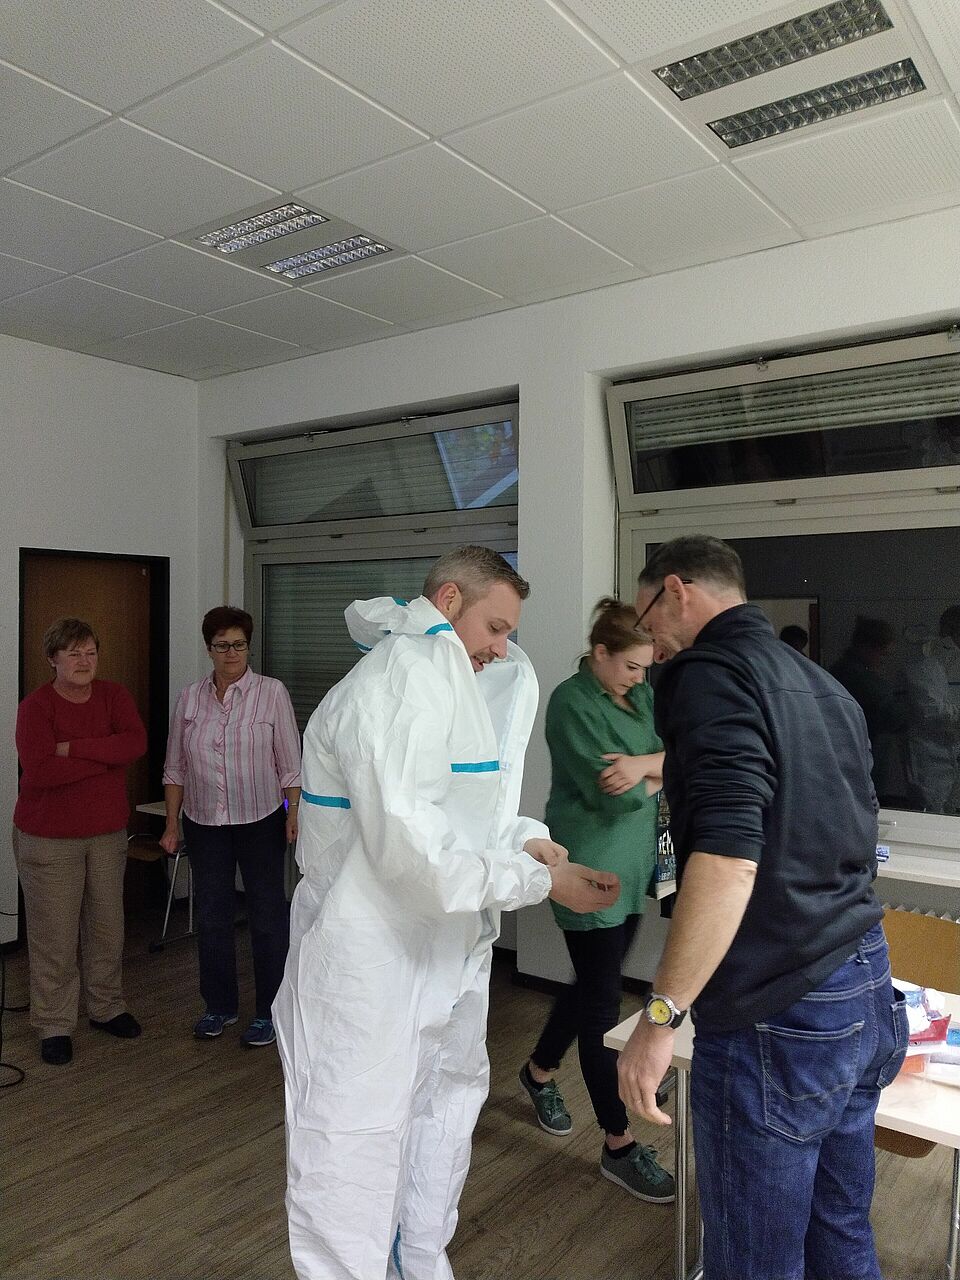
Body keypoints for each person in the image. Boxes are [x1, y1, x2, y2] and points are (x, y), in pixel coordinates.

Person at [273, 546, 619, 1280]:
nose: (500, 648)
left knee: (443, 1114)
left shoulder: (444, 683)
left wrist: (530, 844)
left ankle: (420, 1263)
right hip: (368, 956)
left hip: (442, 949)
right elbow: (416, 856)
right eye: (495, 628)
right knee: (353, 1144)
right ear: (451, 599)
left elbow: (460, 814)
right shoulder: (395, 686)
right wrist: (540, 883)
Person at [617, 535, 907, 1280]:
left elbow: (726, 858)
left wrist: (659, 1020)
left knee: (754, 1260)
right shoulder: (823, 685)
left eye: (647, 617)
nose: (651, 640)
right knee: (842, 1234)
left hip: (781, 1008)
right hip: (865, 983)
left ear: (677, 591)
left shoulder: (708, 673)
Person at [519, 597, 673, 1204]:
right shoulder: (570, 702)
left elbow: (675, 756)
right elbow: (613, 796)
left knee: (591, 986)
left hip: (634, 865)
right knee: (603, 1003)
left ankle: (538, 1072)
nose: (639, 677)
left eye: (645, 668)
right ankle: (617, 1142)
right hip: (589, 869)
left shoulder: (640, 697)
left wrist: (643, 765)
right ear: (600, 653)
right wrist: (652, 773)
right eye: (630, 666)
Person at [161, 606, 301, 1047]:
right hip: (205, 823)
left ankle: (270, 1012)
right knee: (213, 916)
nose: (232, 653)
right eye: (222, 645)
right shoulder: (190, 698)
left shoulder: (271, 693)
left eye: (239, 644)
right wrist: (171, 824)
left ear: (248, 646)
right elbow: (175, 766)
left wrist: (293, 813)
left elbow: (290, 763)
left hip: (261, 819)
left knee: (267, 917)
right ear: (209, 649)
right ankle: (219, 1006)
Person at [13, 618, 147, 1066]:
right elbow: (40, 770)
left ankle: (106, 1007)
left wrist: (71, 747)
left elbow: (134, 745)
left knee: (107, 927)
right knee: (54, 935)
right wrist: (106, 755)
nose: (84, 661)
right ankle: (54, 1023)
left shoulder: (114, 696)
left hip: (106, 835)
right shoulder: (36, 707)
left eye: (90, 652)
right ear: (52, 659)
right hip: (49, 840)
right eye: (73, 653)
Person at [830, 615, 910, 805]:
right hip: (861, 766)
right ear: (867, 647)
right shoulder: (859, 679)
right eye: (883, 654)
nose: (883, 661)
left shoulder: (843, 672)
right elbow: (895, 716)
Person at [905, 604, 960, 814]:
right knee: (933, 812)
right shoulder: (925, 662)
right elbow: (931, 711)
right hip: (930, 757)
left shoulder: (947, 660)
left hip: (948, 753)